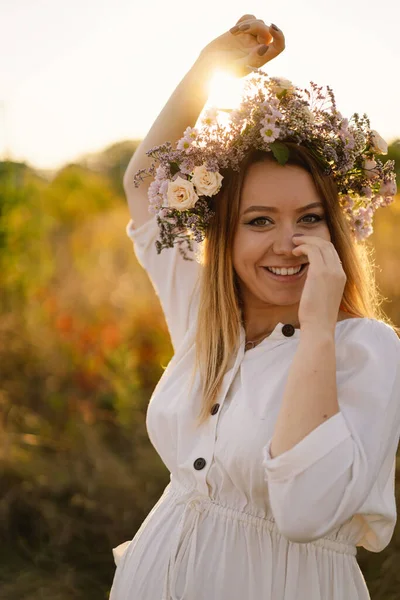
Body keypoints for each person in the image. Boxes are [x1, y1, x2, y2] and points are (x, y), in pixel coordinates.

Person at [109, 14, 400, 600]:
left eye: (310, 219)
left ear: (336, 230)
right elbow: (145, 183)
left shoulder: (366, 350)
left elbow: (303, 512)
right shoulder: (208, 315)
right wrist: (209, 67)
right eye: (259, 221)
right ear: (228, 235)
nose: (287, 244)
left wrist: (318, 327)